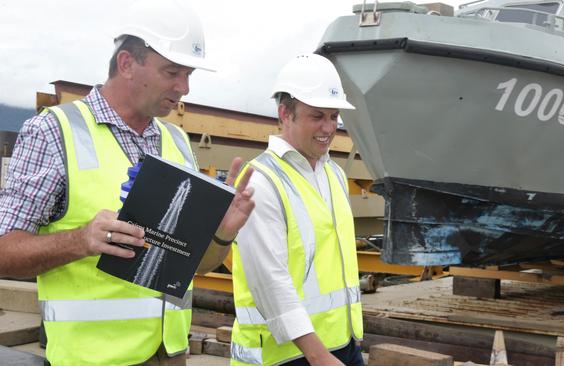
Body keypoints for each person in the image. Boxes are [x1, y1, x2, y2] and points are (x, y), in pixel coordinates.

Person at [0, 0, 255, 365]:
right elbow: (4, 250)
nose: (184, 87)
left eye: (189, 75)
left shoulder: (177, 142)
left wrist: (222, 231)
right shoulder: (53, 131)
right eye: (172, 72)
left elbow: (195, 265)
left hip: (170, 355)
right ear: (127, 64)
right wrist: (80, 240)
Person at [230, 54, 363, 366]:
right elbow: (269, 279)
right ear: (284, 113)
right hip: (284, 355)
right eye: (317, 116)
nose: (328, 128)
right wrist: (318, 355)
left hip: (338, 343)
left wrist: (351, 331)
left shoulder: (334, 175)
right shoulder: (261, 180)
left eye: (334, 116)